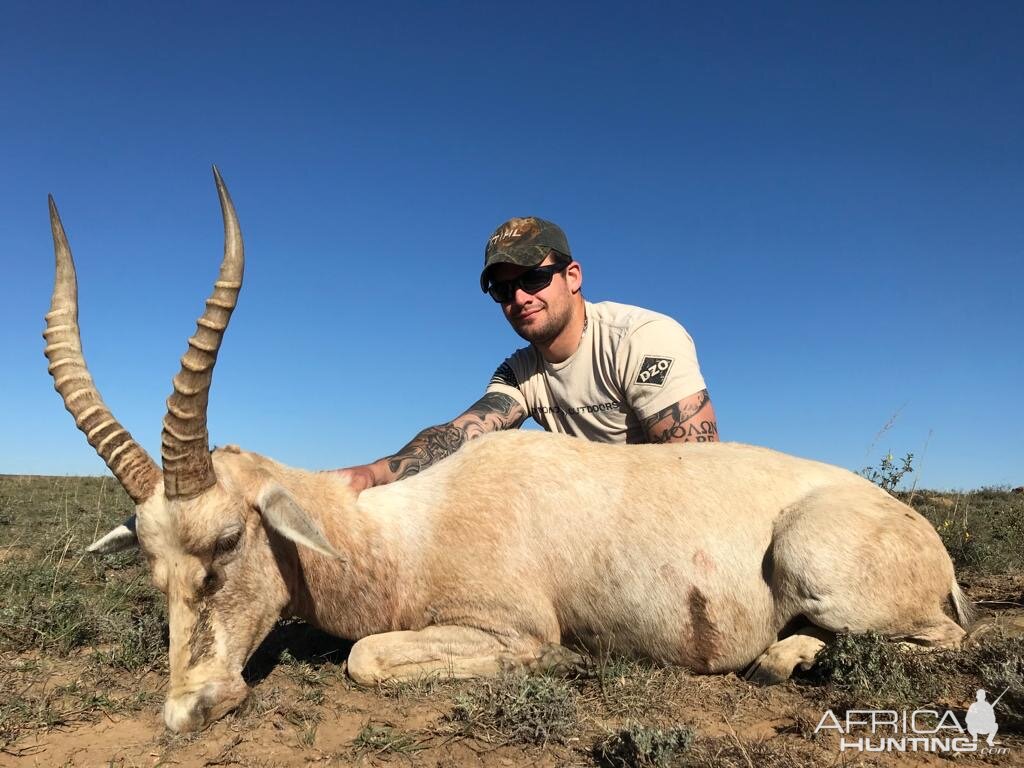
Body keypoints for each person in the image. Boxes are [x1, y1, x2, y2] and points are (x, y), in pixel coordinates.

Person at [333, 216, 718, 492]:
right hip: (599, 520)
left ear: (573, 277)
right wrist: (372, 474)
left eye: (534, 278)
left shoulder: (640, 338)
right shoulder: (519, 372)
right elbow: (462, 434)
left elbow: (694, 473)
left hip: (663, 521)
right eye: (503, 290)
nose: (519, 298)